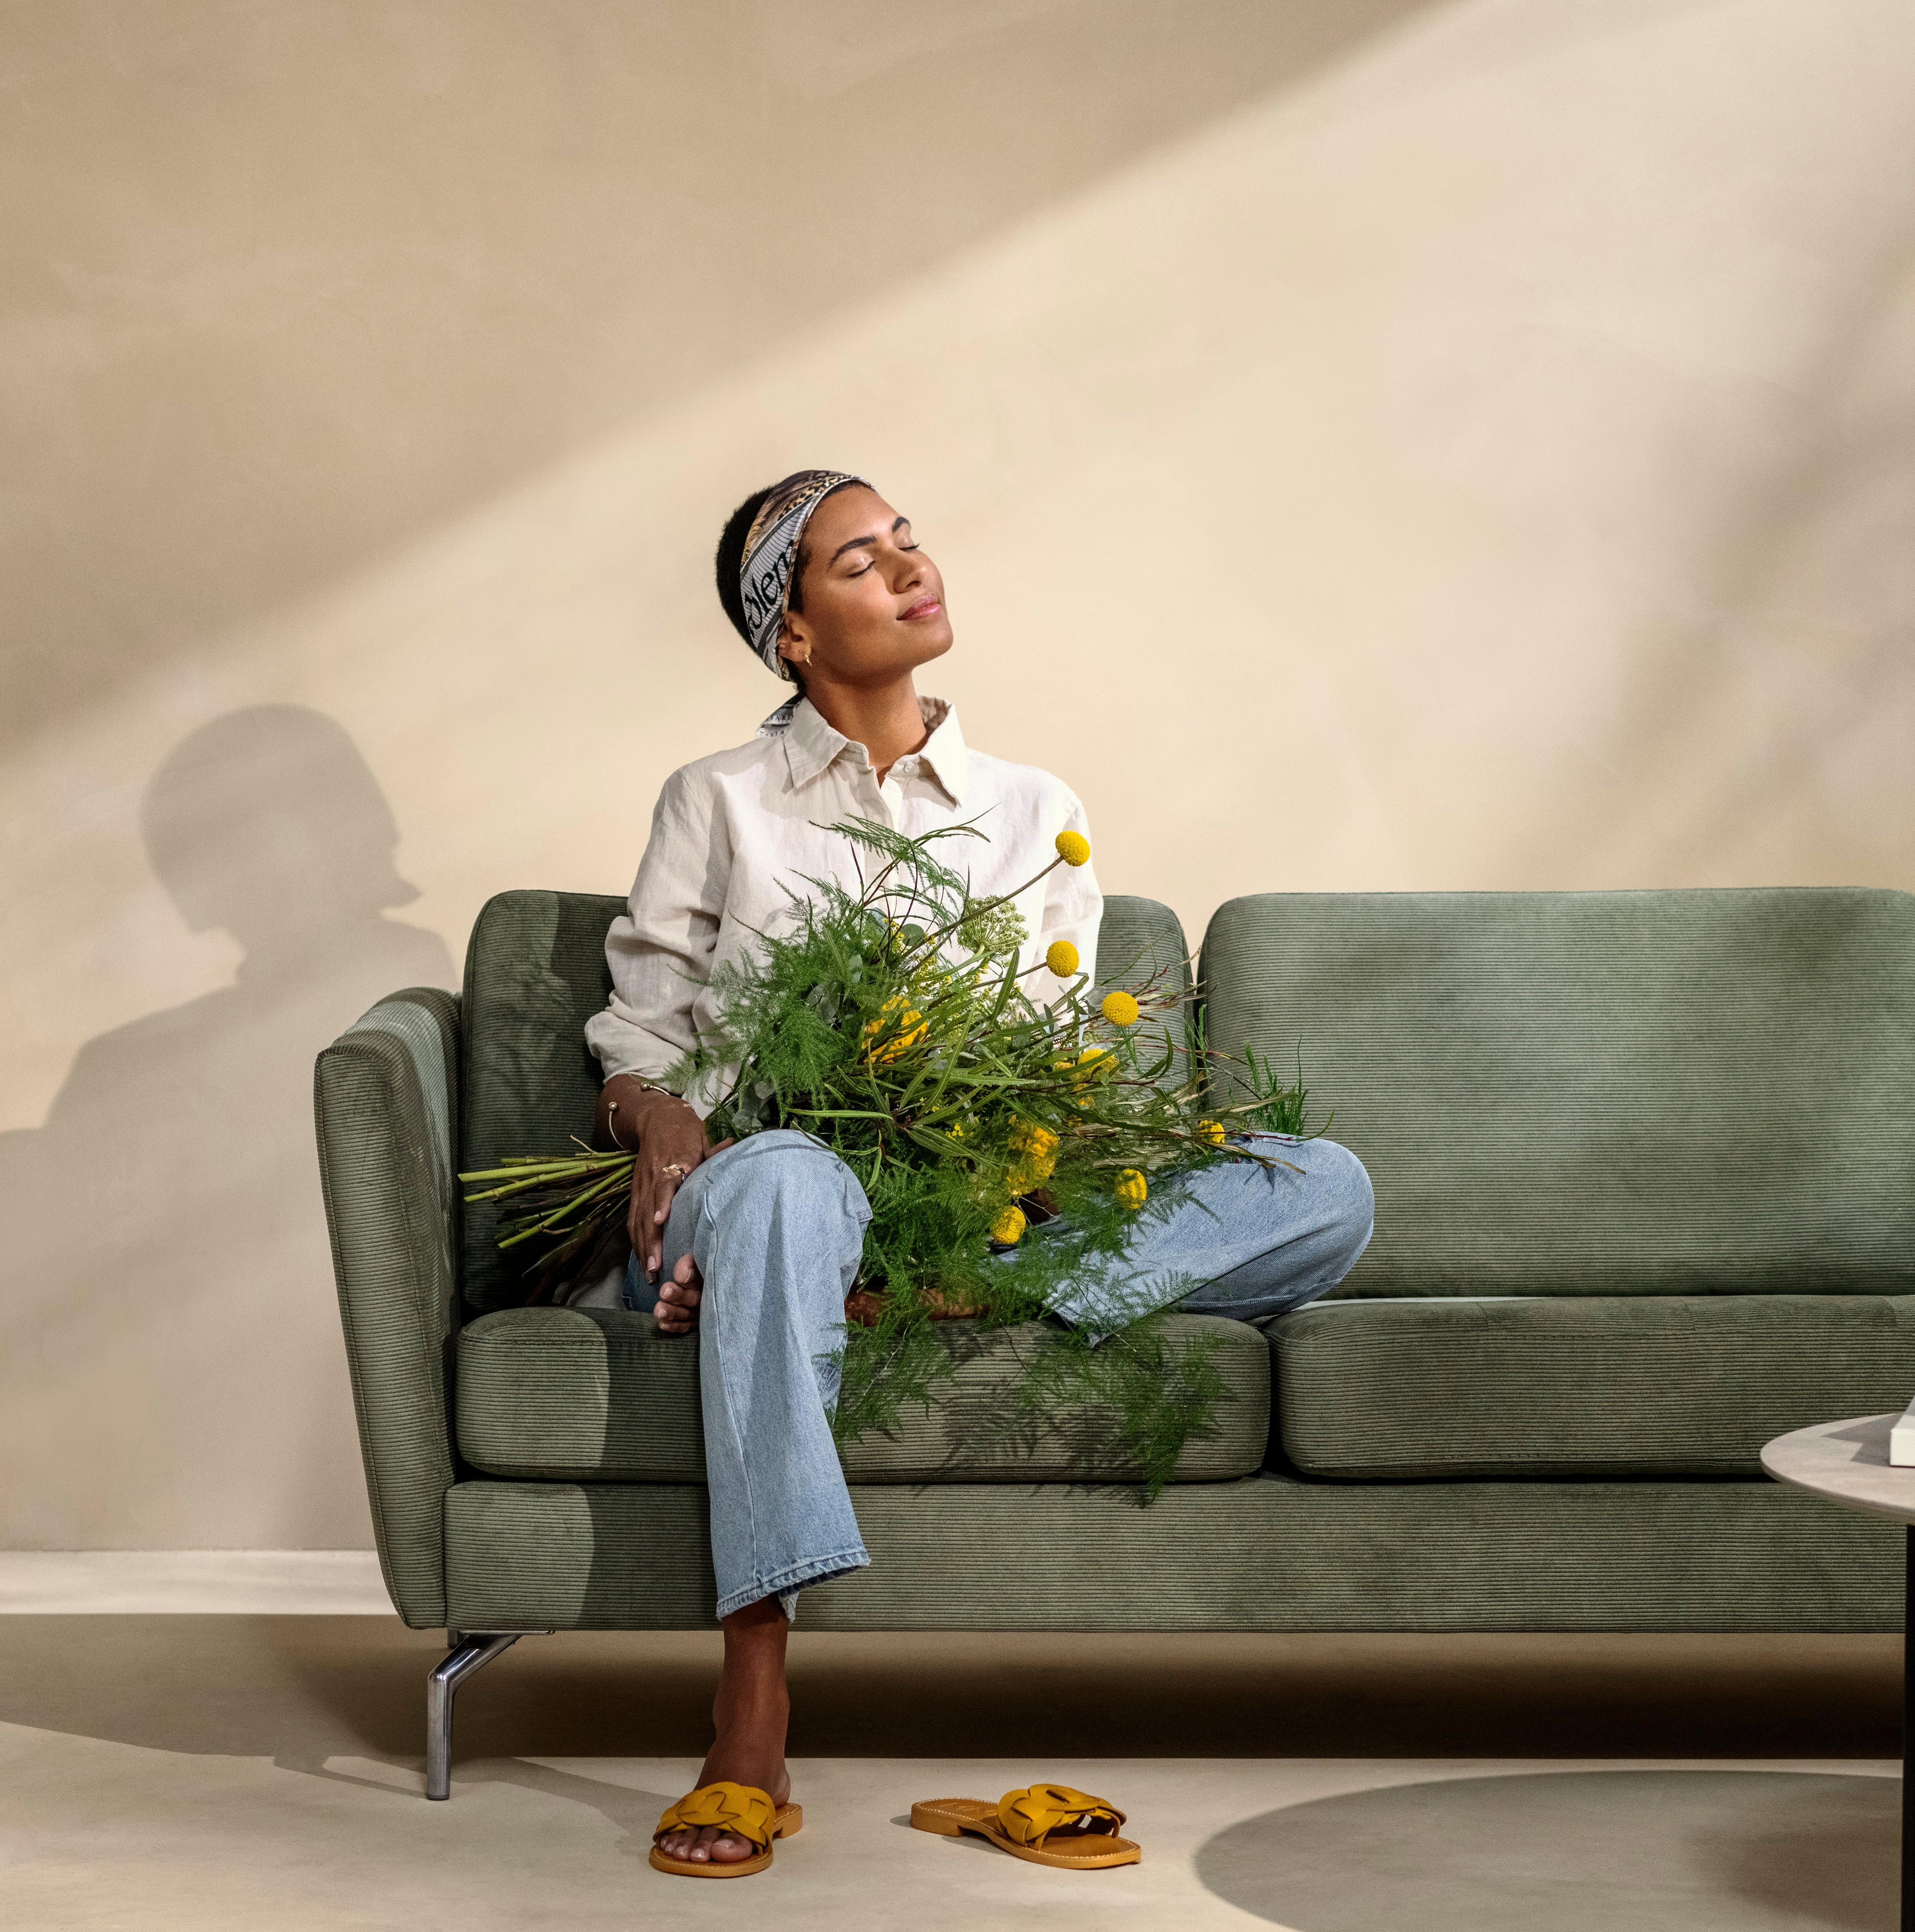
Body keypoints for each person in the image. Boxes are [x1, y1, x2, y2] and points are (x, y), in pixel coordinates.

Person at [585, 470, 1375, 1875]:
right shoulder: (716, 800)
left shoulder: (1033, 809)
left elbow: (1051, 1065)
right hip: (767, 1178)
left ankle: (916, 1303)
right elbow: (642, 1040)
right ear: (794, 637)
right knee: (781, 1188)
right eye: (855, 563)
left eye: (906, 540)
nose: (906, 568)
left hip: (978, 1225)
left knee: (1322, 1182)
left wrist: (1053, 1166)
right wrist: (663, 1132)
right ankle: (754, 1692)